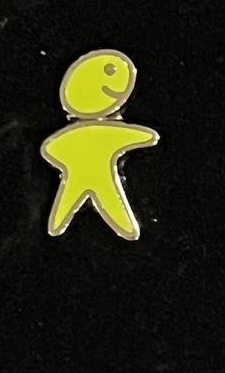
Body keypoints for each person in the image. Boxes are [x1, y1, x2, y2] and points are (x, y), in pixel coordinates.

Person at [41, 49, 159, 240]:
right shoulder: (100, 132)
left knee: (75, 204)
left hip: (83, 173)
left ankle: (59, 225)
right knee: (106, 202)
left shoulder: (88, 132)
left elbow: (49, 148)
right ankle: (126, 229)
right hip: (90, 173)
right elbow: (136, 135)